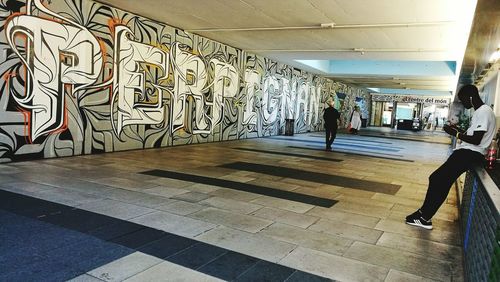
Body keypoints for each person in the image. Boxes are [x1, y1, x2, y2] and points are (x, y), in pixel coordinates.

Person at [406, 84, 496, 230]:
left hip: (469, 154)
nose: (463, 104)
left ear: (471, 97)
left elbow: (477, 140)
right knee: (439, 180)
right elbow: (474, 135)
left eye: (464, 100)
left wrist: (456, 134)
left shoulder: (483, 112)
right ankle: (423, 214)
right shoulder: (482, 111)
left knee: (437, 179)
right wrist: (456, 129)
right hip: (468, 153)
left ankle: (424, 217)